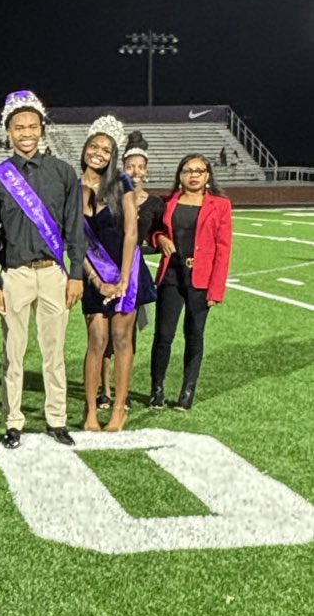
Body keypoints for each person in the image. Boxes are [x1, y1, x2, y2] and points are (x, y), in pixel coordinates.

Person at [0, 90, 86, 449]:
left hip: (55, 274)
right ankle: (14, 422)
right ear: (8, 131)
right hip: (15, 275)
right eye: (18, 127)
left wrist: (75, 274)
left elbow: (74, 229)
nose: (26, 133)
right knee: (13, 354)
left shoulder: (63, 172)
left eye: (32, 126)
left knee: (54, 353)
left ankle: (56, 419)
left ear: (42, 128)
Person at [78, 116, 155, 433]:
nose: (98, 153)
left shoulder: (121, 183)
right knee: (96, 340)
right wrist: (96, 280)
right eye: (94, 146)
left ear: (113, 155)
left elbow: (131, 232)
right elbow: (76, 240)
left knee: (122, 339)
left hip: (126, 271)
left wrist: (123, 279)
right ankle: (91, 410)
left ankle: (119, 409)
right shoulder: (73, 187)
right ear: (85, 148)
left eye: (106, 149)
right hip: (93, 273)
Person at [149, 154, 232, 410]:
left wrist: (216, 289)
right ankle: (157, 389)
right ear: (180, 175)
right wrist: (159, 238)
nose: (193, 175)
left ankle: (187, 392)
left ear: (207, 175)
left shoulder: (220, 205)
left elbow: (223, 248)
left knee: (194, 335)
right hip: (171, 276)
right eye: (188, 170)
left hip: (201, 279)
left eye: (199, 170)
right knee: (163, 335)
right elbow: (154, 229)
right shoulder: (168, 202)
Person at [98, 129, 164, 408]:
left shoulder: (156, 203)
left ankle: (122, 391)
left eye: (140, 167)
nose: (135, 171)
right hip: (106, 267)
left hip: (135, 272)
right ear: (122, 168)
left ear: (146, 170)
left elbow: (159, 231)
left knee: (126, 335)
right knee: (103, 337)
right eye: (130, 166)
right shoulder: (111, 196)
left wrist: (162, 238)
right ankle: (104, 390)